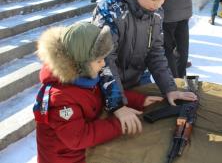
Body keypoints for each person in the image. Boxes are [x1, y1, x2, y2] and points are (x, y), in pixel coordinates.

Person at [34, 22, 163, 163]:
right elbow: (78, 138)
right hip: (66, 158)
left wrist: (138, 100)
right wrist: (120, 123)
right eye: (99, 60)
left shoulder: (85, 77)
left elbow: (101, 96)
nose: (103, 64)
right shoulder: (59, 97)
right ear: (81, 63)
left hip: (85, 151)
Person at [92, 0, 197, 113]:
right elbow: (104, 59)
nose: (159, 4)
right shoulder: (111, 9)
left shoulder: (156, 13)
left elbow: (155, 52)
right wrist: (117, 104)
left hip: (136, 82)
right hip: (106, 90)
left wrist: (169, 88)